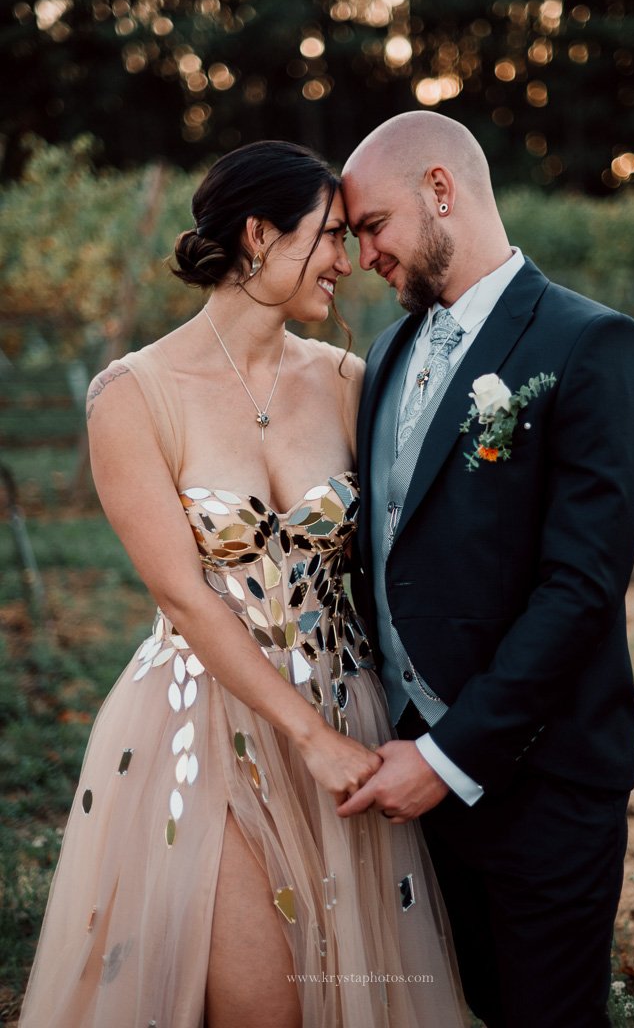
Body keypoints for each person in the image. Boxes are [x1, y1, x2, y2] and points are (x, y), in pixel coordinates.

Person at [19, 141, 468, 1028]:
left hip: (346, 710)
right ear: (259, 236)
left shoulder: (346, 381)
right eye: (329, 235)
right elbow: (184, 596)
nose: (348, 260)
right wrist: (307, 738)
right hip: (199, 722)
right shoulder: (132, 395)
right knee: (263, 1004)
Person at [338, 112, 634, 1028]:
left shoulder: (590, 343)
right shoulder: (388, 353)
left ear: (440, 190)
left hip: (540, 781)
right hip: (409, 778)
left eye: (373, 227)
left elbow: (581, 589)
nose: (363, 257)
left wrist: (448, 757)